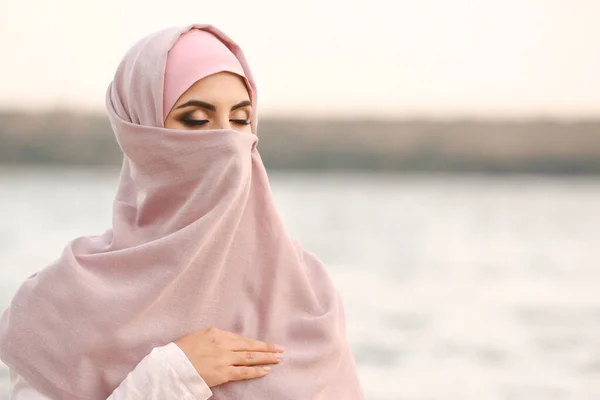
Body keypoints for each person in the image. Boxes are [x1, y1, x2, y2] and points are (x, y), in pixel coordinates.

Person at [0, 24, 364, 399]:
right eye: (195, 120)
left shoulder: (307, 294)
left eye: (240, 120)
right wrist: (170, 376)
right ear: (141, 134)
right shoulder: (63, 303)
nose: (226, 142)